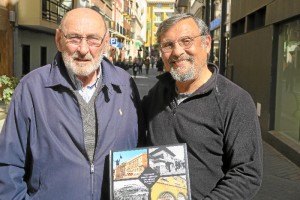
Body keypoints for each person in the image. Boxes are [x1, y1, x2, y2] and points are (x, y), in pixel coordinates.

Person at [0, 7, 145, 200]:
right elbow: (8, 165)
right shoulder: (31, 89)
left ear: (105, 42)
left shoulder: (125, 85)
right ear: (59, 40)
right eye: (74, 38)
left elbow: (140, 150)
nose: (83, 50)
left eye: (93, 39)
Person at [142, 13, 263, 200]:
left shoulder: (235, 101)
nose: (177, 51)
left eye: (186, 41)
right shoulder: (157, 93)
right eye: (168, 45)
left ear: (206, 43)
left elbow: (246, 173)